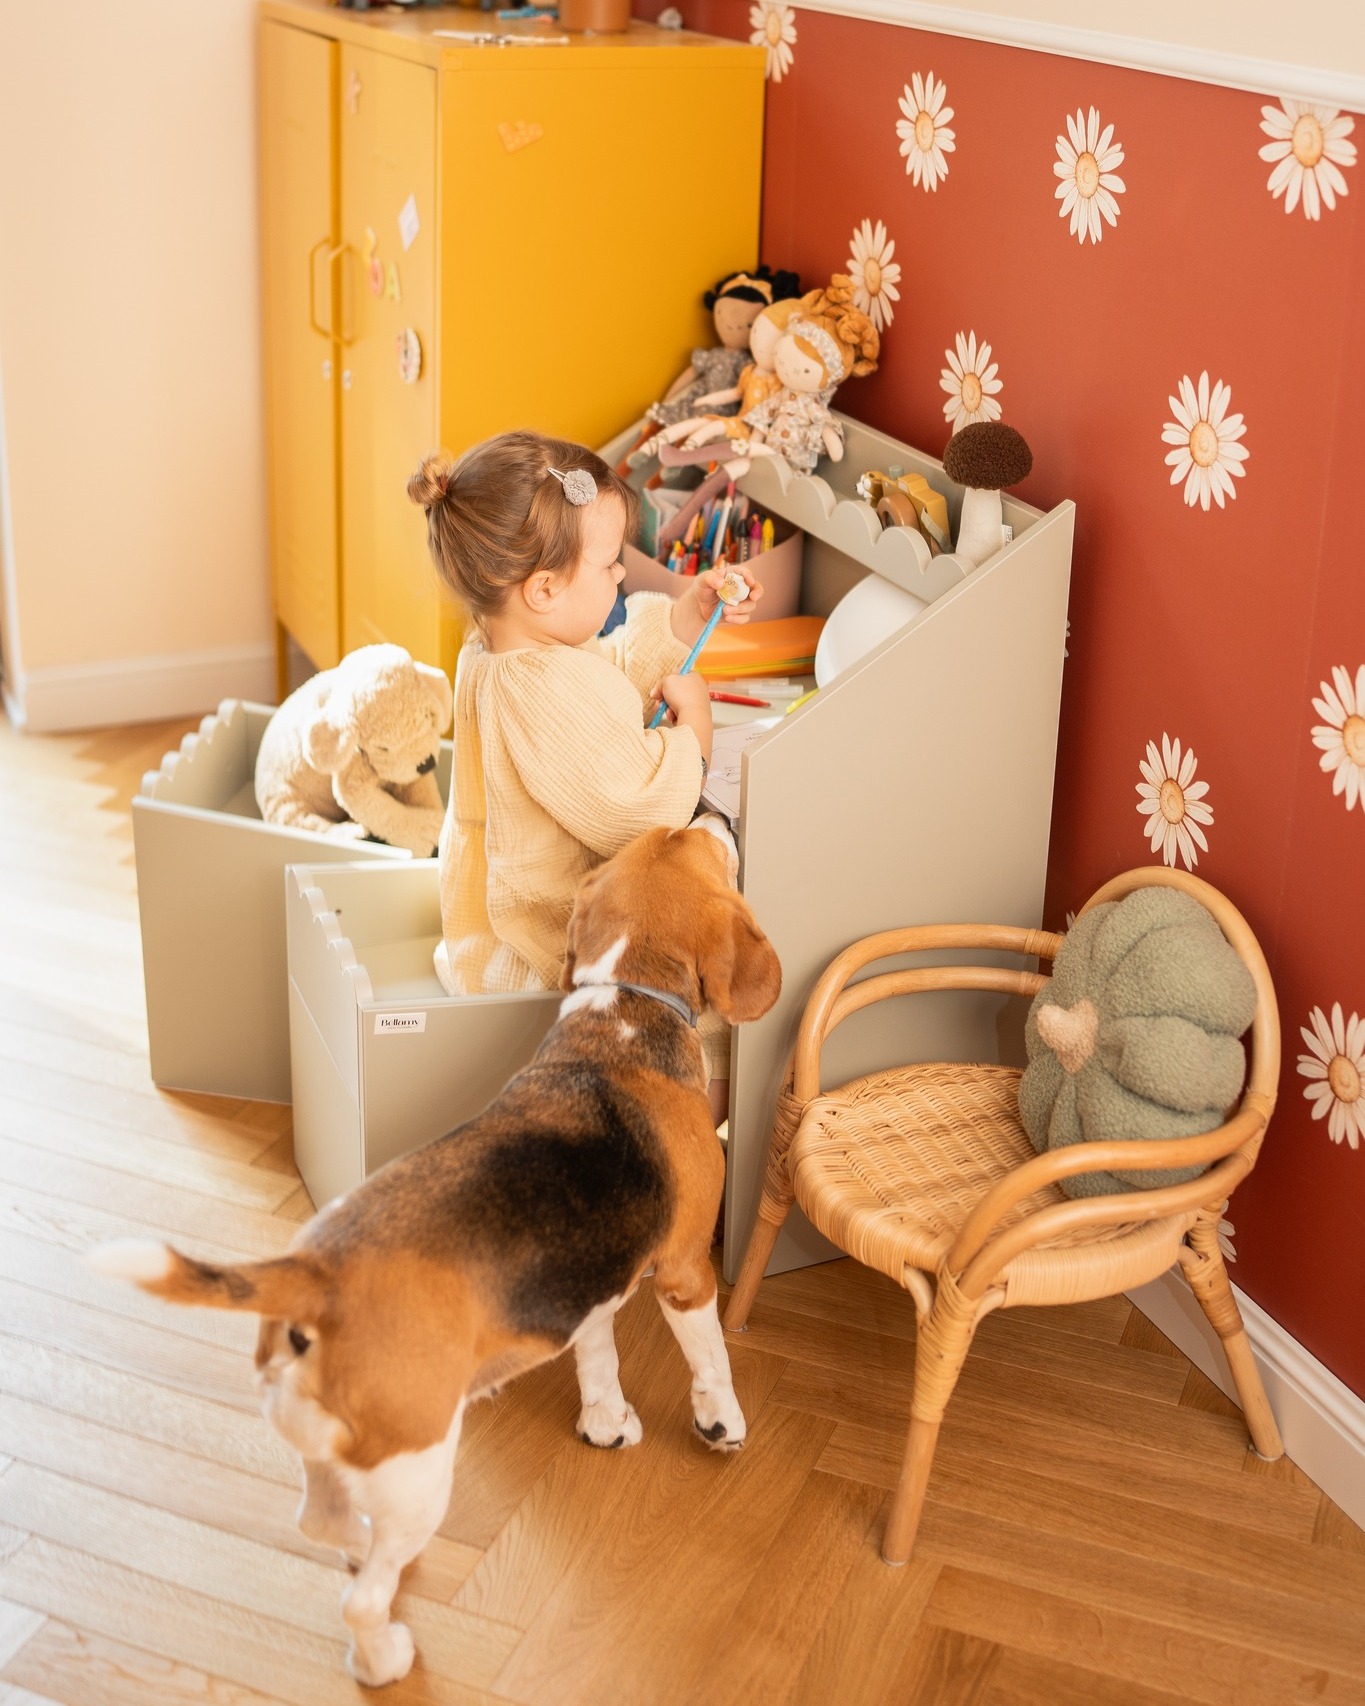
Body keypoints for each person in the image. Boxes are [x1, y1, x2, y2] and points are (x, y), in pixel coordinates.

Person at [408, 429, 761, 1121]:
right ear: (542, 589)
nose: (623, 576)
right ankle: (686, 1125)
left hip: (498, 920)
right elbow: (635, 809)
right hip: (546, 943)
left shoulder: (503, 649)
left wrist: (684, 618)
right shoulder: (539, 686)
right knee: (707, 1005)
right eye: (608, 567)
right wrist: (694, 733)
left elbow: (596, 675)